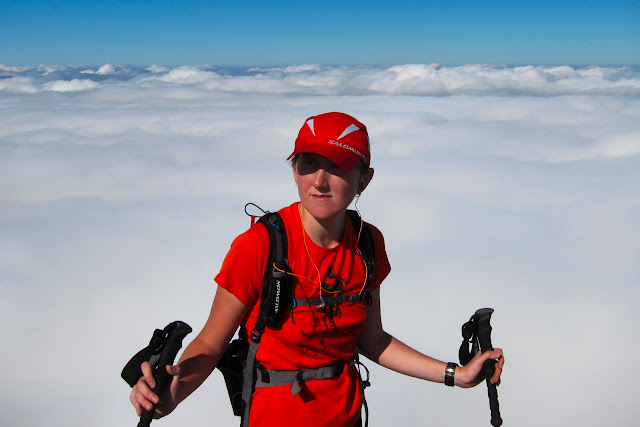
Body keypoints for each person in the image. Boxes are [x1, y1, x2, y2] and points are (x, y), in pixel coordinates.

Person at [129, 112, 504, 426]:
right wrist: (172, 393)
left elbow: (371, 340)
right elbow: (211, 344)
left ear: (365, 178)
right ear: (294, 171)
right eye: (308, 163)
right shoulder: (260, 246)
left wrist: (457, 374)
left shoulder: (367, 243)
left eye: (337, 166)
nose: (319, 181)